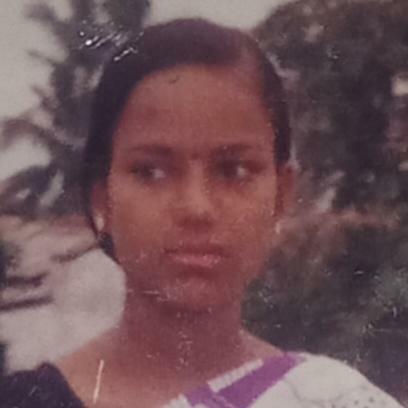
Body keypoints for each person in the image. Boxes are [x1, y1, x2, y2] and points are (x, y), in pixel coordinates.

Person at [0, 18, 403, 408]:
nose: (197, 207)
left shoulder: (332, 400)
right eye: (152, 172)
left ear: (281, 195)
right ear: (102, 198)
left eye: (235, 171)